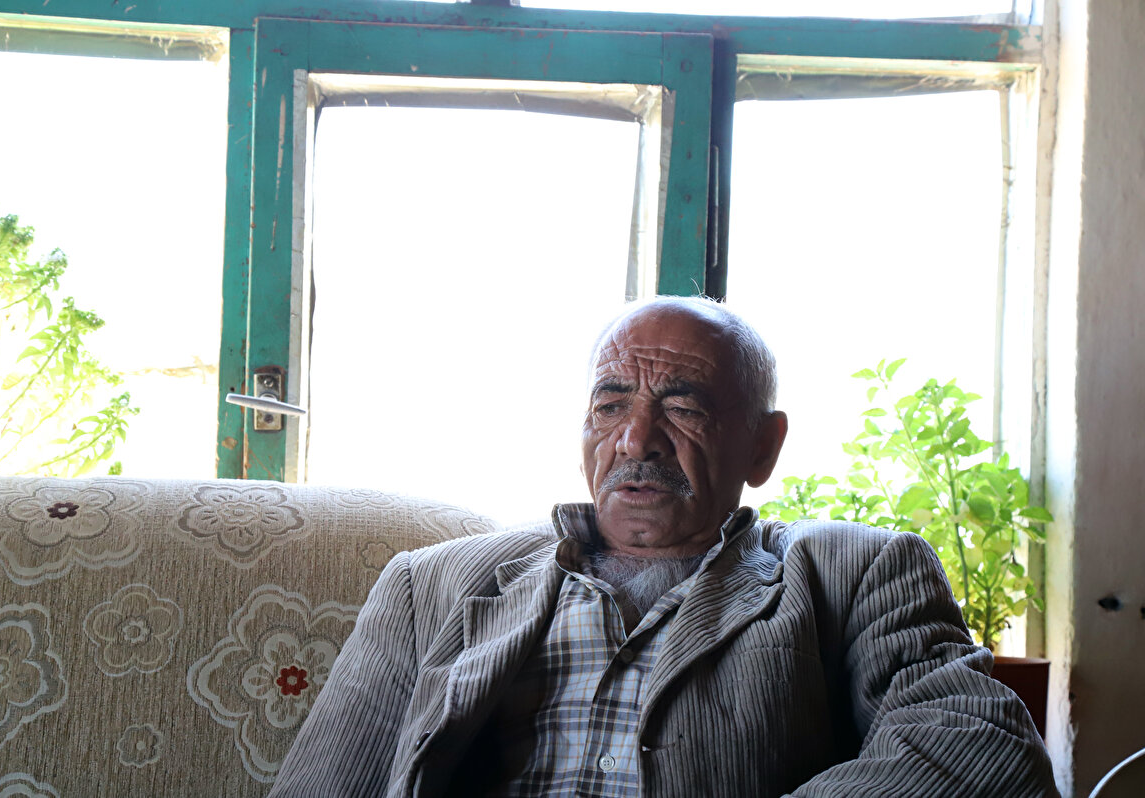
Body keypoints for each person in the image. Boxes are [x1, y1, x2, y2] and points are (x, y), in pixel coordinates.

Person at [270, 296, 1057, 797]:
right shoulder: (431, 586)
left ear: (763, 445)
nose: (636, 438)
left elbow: (982, 754)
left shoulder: (853, 572)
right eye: (611, 405)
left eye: (683, 407)